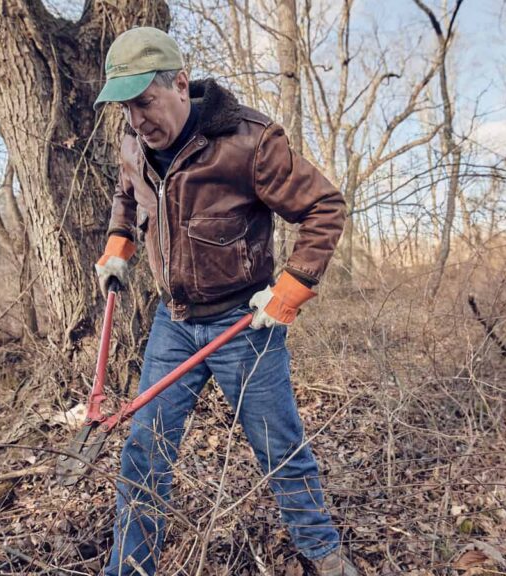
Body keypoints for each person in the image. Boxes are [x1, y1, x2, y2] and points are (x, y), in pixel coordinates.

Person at [93, 26, 358, 576]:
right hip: (174, 322)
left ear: (181, 84)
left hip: (245, 324)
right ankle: (128, 568)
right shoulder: (132, 143)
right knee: (145, 453)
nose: (139, 121)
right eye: (127, 109)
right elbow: (127, 192)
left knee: (278, 450)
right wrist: (119, 242)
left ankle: (323, 555)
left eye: (146, 102)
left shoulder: (248, 140)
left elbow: (324, 208)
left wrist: (292, 288)